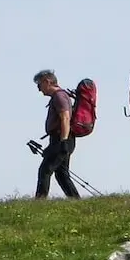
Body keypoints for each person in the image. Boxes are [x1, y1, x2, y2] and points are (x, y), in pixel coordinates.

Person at [33, 70, 80, 199]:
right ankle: (75, 200)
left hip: (62, 138)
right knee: (61, 174)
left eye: (39, 85)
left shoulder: (59, 96)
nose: (39, 89)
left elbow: (65, 118)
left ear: (47, 82)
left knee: (45, 170)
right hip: (62, 138)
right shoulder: (60, 96)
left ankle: (40, 201)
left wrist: (63, 142)